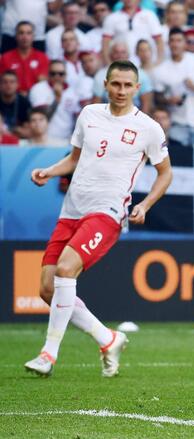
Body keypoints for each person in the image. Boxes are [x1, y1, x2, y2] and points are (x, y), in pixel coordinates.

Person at [24, 60, 173, 378]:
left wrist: (145, 204)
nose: (121, 90)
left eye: (127, 85)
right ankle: (109, 338)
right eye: (115, 84)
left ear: (137, 88)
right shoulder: (89, 114)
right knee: (48, 289)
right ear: (105, 84)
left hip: (108, 212)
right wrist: (50, 172)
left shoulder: (148, 127)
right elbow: (75, 159)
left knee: (66, 269)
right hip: (72, 211)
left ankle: (48, 354)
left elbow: (165, 173)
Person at [152, 28, 194, 145]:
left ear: (185, 43)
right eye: (172, 40)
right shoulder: (160, 70)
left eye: (179, 40)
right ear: (168, 43)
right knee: (178, 160)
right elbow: (157, 97)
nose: (175, 44)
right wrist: (169, 100)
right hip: (177, 122)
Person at [0, 21, 50, 95]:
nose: (25, 37)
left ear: (33, 36)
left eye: (28, 33)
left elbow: (43, 83)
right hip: (12, 98)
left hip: (35, 98)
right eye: (21, 33)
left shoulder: (42, 57)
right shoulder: (5, 58)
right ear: (16, 36)